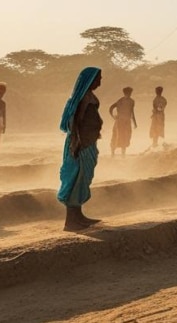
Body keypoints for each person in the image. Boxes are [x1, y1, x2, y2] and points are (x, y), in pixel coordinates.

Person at [58, 67, 104, 231]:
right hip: (81, 144)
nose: (100, 81)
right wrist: (76, 142)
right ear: (90, 80)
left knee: (83, 179)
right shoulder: (83, 97)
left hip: (88, 142)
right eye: (98, 78)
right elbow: (76, 121)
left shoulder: (89, 95)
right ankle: (71, 221)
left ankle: (79, 216)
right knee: (75, 179)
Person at [108, 87, 138, 157]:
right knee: (118, 136)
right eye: (129, 93)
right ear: (126, 93)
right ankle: (114, 153)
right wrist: (113, 116)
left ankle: (121, 154)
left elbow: (132, 112)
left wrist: (135, 123)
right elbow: (111, 108)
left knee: (125, 136)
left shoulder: (130, 101)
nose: (130, 94)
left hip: (125, 122)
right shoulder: (122, 101)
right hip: (120, 122)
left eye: (130, 93)